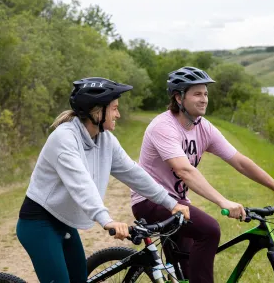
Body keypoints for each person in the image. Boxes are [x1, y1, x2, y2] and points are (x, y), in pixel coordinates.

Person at [131, 66, 274, 283]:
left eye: (206, 94)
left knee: (189, 270)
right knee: (210, 230)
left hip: (178, 204)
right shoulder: (163, 127)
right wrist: (223, 201)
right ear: (178, 97)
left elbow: (240, 161)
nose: (204, 99)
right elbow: (184, 170)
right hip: (150, 200)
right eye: (197, 94)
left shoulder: (203, 127)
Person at [16, 77, 190, 283]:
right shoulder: (63, 139)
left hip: (64, 223)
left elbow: (134, 173)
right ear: (97, 111)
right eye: (114, 108)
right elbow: (81, 184)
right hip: (39, 223)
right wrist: (106, 220)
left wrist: (171, 203)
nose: (118, 114)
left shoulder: (104, 138)